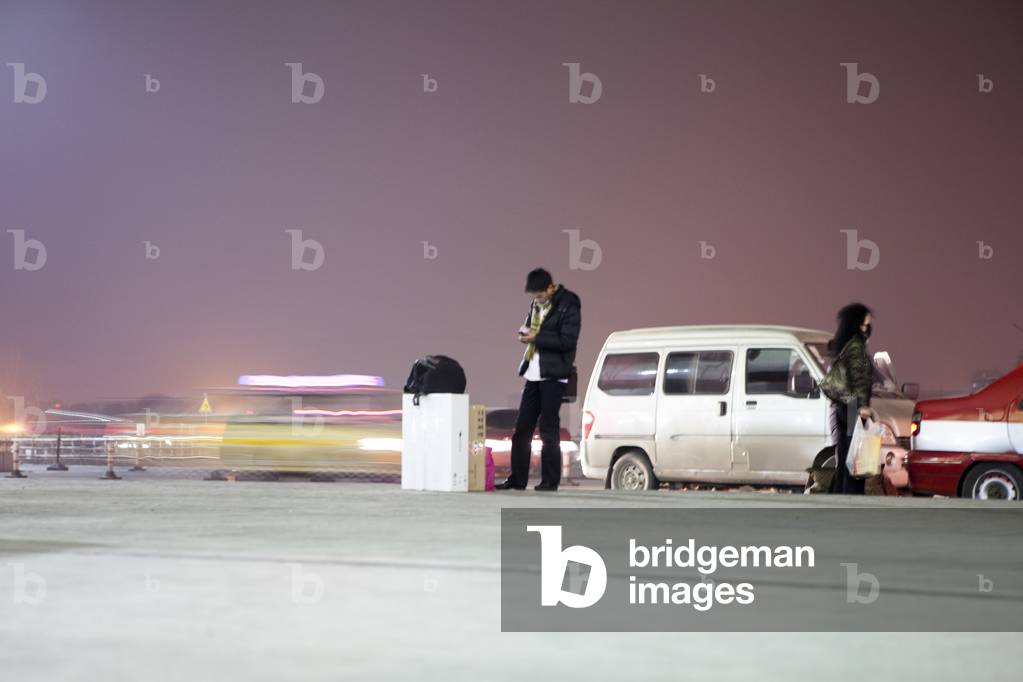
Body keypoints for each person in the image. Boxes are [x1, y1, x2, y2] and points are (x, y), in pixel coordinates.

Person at [495, 268, 581, 491]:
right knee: (522, 429)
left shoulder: (569, 303)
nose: (537, 299)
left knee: (548, 429)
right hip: (532, 373)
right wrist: (525, 333)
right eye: (534, 296)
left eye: (540, 295)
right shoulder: (535, 305)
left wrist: (538, 337)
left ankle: (550, 481)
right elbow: (530, 326)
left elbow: (567, 341)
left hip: (554, 375)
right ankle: (517, 479)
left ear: (550, 288)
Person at [827, 302, 874, 495]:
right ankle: (852, 495)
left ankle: (842, 494)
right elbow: (859, 378)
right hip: (854, 407)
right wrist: (863, 407)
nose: (868, 327)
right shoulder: (856, 347)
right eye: (865, 323)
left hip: (843, 406)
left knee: (846, 453)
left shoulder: (844, 345)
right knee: (856, 456)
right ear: (857, 323)